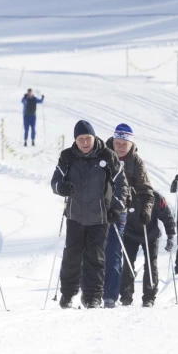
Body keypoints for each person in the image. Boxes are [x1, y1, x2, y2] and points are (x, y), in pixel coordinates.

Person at [51, 120, 129, 309]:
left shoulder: (108, 156)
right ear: (75, 141)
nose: (85, 142)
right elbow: (55, 181)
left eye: (88, 138)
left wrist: (116, 207)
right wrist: (61, 187)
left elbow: (122, 184)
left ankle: (92, 297)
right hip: (75, 216)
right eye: (80, 139)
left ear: (94, 138)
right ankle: (68, 295)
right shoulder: (67, 157)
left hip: (100, 217)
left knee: (95, 258)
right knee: (72, 257)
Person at [103, 123, 154, 309]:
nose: (121, 146)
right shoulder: (103, 154)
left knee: (115, 252)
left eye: (125, 143)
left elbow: (146, 191)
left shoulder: (136, 162)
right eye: (118, 142)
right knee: (93, 251)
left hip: (120, 211)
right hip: (97, 209)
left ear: (131, 144)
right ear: (113, 141)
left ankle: (110, 296)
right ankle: (91, 293)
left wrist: (146, 210)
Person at [120, 190, 175, 308]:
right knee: (128, 264)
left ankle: (149, 296)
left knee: (151, 264)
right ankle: (126, 295)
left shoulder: (155, 197)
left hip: (150, 235)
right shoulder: (127, 196)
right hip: (131, 234)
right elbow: (118, 211)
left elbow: (166, 215)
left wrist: (170, 235)